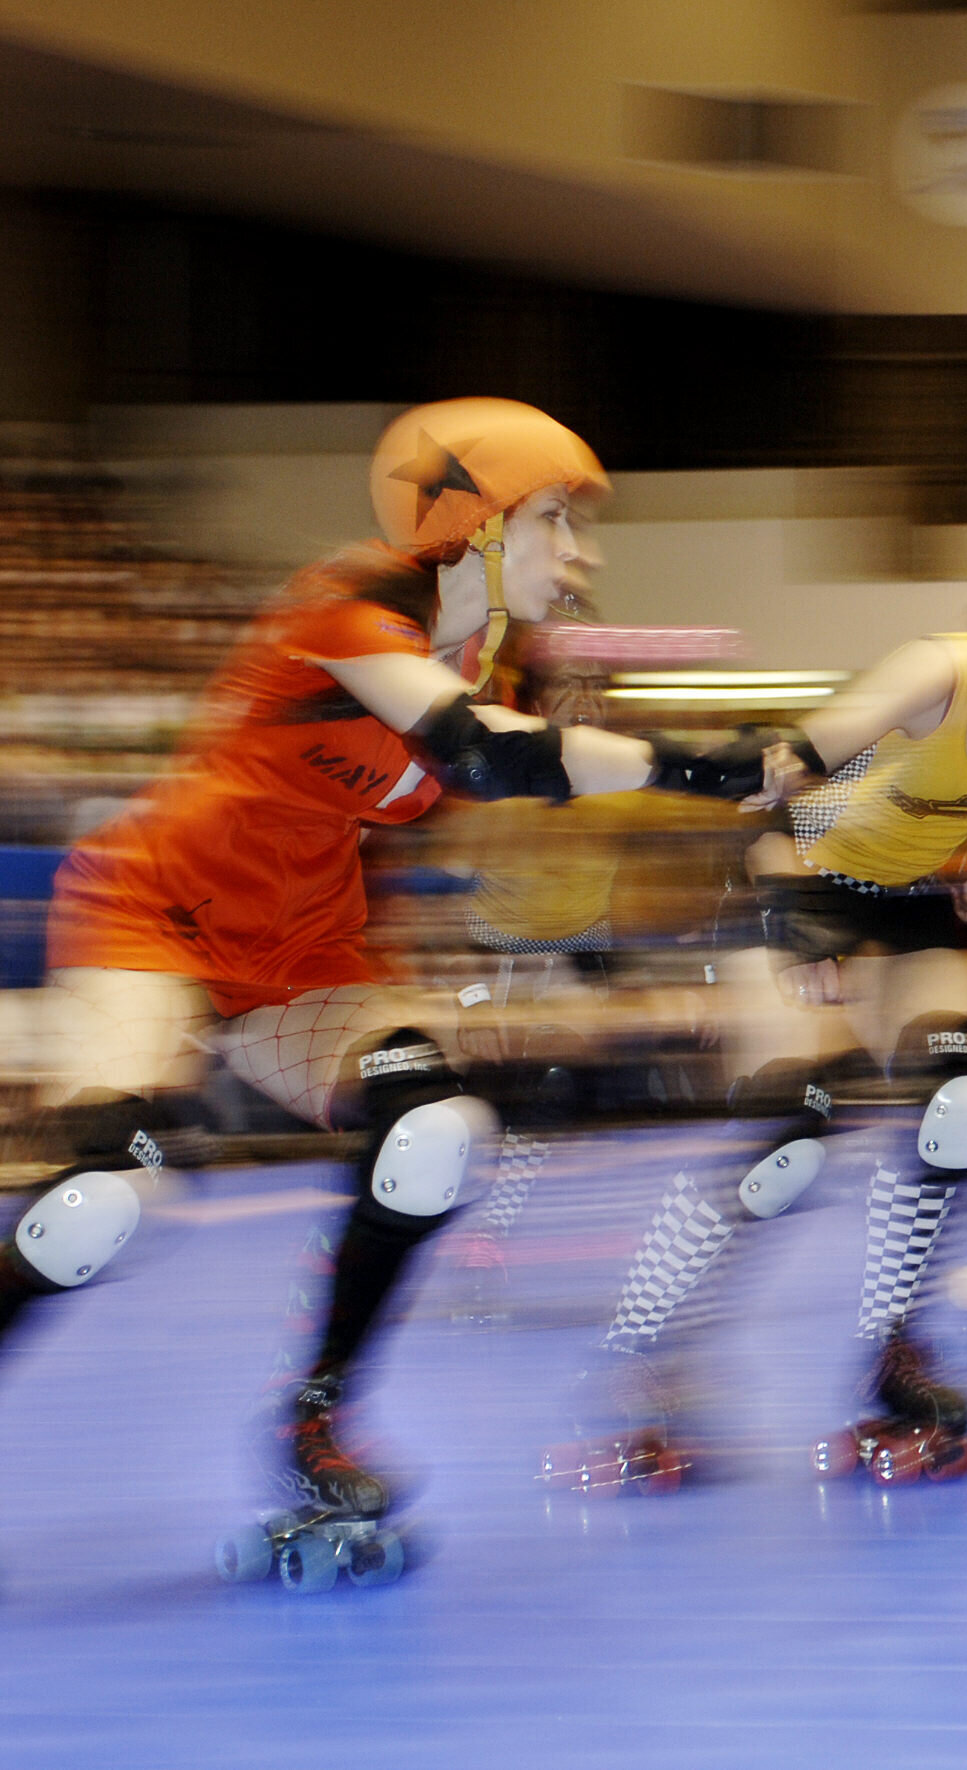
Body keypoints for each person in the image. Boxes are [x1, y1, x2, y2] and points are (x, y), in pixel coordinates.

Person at [11, 397, 769, 1554]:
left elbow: (536, 756)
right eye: (558, 520)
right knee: (103, 1201)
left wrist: (742, 778)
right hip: (153, 917)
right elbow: (489, 758)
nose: (584, 553)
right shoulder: (348, 609)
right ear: (471, 524)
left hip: (304, 954)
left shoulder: (481, 655)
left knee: (436, 1130)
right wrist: (707, 769)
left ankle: (316, 1420)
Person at [562, 481, 967, 1484]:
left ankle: (894, 1347)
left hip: (915, 905)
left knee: (966, 1102)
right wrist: (796, 925)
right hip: (805, 882)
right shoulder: (939, 669)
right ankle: (645, 1359)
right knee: (792, 1138)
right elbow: (781, 781)